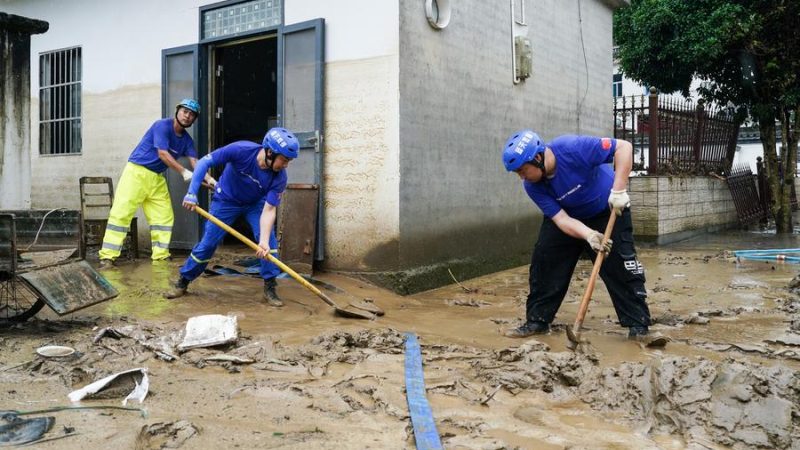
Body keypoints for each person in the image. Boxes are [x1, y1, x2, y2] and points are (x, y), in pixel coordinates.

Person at [501, 130, 651, 339]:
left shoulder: (572, 148)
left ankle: (638, 325)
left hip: (608, 208)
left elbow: (623, 147)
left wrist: (618, 191)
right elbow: (561, 220)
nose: (521, 177)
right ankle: (538, 321)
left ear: (537, 158)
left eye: (522, 170)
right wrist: (589, 235)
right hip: (569, 216)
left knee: (620, 265)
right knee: (545, 260)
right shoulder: (533, 186)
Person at [163, 127, 299, 306]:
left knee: (270, 245)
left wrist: (263, 241)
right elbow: (204, 162)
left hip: (255, 204)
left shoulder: (279, 177)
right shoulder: (241, 150)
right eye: (284, 159)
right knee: (208, 244)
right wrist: (192, 193)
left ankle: (270, 287)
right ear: (270, 152)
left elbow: (269, 210)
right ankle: (183, 281)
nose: (286, 165)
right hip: (225, 201)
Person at [98, 99, 217, 268]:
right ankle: (107, 257)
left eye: (192, 115)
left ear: (194, 119)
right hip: (136, 172)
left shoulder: (187, 141)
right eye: (185, 112)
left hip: (157, 177)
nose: (187, 116)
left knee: (164, 216)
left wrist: (211, 181)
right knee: (121, 213)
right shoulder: (162, 126)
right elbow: (162, 153)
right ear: (177, 111)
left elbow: (196, 163)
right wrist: (183, 172)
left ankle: (160, 255)